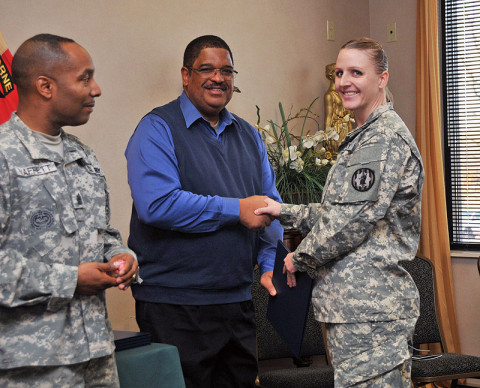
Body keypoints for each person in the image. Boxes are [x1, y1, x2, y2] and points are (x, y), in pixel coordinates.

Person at [255, 37, 424, 387]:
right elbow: (340, 210)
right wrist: (282, 210)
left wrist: (300, 257)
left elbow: (351, 221)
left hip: (371, 312)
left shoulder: (381, 139)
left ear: (382, 79)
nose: (344, 81)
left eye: (357, 72)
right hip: (357, 310)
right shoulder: (363, 136)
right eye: (340, 72)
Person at [125, 35, 283, 388]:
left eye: (227, 70)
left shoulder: (248, 135)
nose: (218, 78)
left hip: (237, 301)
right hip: (174, 305)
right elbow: (158, 205)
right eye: (207, 69)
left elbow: (270, 206)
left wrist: (270, 259)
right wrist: (235, 210)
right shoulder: (156, 128)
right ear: (185, 75)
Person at [0, 34, 139, 387]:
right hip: (30, 367)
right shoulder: (3, 157)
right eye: (84, 78)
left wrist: (120, 254)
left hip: (96, 355)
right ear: (45, 86)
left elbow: (101, 233)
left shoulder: (83, 155)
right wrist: (71, 279)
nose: (96, 89)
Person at [324, 62, 354, 146]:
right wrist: (326, 137)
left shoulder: (342, 93)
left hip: (347, 126)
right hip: (336, 130)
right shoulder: (329, 95)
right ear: (330, 75)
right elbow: (328, 118)